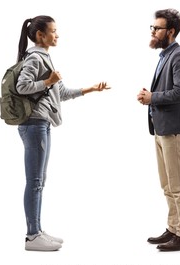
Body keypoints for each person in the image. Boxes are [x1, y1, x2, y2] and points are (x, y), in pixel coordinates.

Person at [15, 15, 110, 251]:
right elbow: (22, 87)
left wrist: (90, 89)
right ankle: (32, 236)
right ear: (40, 35)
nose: (57, 35)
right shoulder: (36, 58)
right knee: (35, 181)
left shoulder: (45, 58)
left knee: (39, 181)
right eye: (54, 31)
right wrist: (47, 81)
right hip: (34, 124)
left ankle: (36, 231)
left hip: (41, 123)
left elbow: (62, 93)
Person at [137, 9, 180, 251]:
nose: (153, 32)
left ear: (170, 31)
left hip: (174, 129)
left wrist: (152, 97)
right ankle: (174, 228)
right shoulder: (165, 55)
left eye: (157, 28)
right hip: (162, 128)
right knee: (167, 184)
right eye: (152, 28)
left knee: (178, 184)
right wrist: (151, 97)